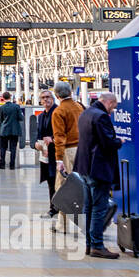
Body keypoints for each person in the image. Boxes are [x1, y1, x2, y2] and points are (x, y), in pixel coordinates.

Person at [75, 91, 123, 258]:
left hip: (84, 167)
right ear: (109, 103)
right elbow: (107, 142)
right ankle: (97, 245)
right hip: (98, 168)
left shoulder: (85, 113)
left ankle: (89, 244)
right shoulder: (101, 116)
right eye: (113, 107)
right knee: (99, 208)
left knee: (88, 207)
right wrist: (119, 141)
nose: (112, 111)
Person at [51, 82, 83, 178]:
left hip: (68, 151)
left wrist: (59, 159)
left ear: (56, 96)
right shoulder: (79, 107)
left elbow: (59, 136)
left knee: (65, 185)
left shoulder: (59, 111)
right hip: (82, 149)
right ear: (70, 92)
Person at [35, 91, 57, 216]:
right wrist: (35, 144)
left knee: (57, 181)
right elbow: (39, 134)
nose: (45, 99)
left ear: (53, 98)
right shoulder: (41, 116)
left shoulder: (57, 112)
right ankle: (53, 208)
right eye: (43, 98)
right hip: (45, 154)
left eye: (48, 97)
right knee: (50, 180)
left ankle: (57, 208)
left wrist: (53, 139)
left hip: (57, 153)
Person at [0, 91, 23, 169]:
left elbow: (1, 119)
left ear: (3, 98)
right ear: (10, 97)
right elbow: (21, 118)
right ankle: (12, 165)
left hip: (4, 130)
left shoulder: (2, 108)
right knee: (13, 148)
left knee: (3, 147)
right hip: (15, 130)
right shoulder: (16, 106)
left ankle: (2, 164)